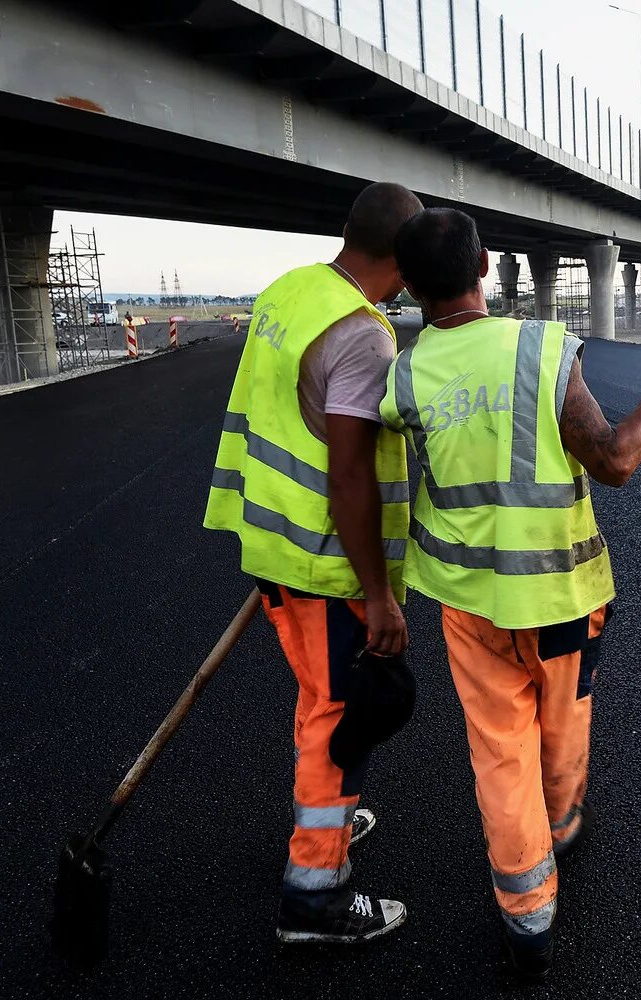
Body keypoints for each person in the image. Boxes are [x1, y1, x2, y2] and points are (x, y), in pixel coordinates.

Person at [380, 208, 641, 979]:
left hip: (471, 605)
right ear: (486, 266)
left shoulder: (405, 375)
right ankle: (561, 825)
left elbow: (375, 457)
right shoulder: (541, 349)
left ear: (412, 289)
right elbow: (616, 460)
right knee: (564, 720)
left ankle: (527, 916)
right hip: (563, 600)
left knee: (500, 751)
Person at [203, 181, 423, 945]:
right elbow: (351, 474)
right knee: (341, 719)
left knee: (317, 699)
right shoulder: (363, 334)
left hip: (270, 544)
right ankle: (315, 892)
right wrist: (378, 595)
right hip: (326, 567)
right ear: (402, 258)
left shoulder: (289, 291)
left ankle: (323, 819)